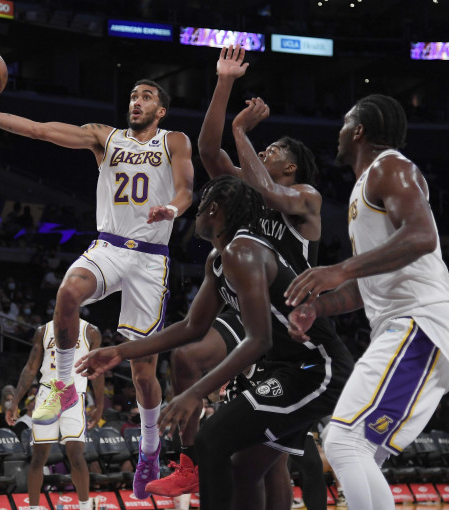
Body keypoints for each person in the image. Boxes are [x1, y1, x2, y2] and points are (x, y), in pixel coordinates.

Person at [0, 69, 193, 498]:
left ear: (161, 109)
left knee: (142, 373)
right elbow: (40, 130)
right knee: (67, 292)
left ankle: (151, 449)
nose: (136, 101)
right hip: (110, 246)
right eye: (133, 95)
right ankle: (64, 384)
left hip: (150, 259)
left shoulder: (174, 140)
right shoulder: (106, 137)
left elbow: (186, 190)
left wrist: (172, 211)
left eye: (146, 96)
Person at [76, 176, 352, 510]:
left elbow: (259, 339)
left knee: (211, 440)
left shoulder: (243, 250)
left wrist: (193, 393)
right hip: (289, 369)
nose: (195, 214)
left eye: (201, 205)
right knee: (244, 470)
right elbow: (193, 326)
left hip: (316, 368)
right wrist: (120, 351)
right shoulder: (219, 259)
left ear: (214, 209)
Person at [149, 45, 328, 508]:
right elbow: (209, 151)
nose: (263, 152)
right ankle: (188, 462)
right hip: (248, 311)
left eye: (273, 151)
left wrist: (241, 130)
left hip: (291, 326)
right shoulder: (248, 193)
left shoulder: (305, 196)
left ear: (290, 166)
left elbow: (269, 189)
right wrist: (224, 83)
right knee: (189, 358)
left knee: (268, 462)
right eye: (261, 147)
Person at [284, 94, 449, 510]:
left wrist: (340, 269)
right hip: (408, 328)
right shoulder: (364, 188)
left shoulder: (390, 167)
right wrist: (318, 308)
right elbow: (366, 286)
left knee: (343, 441)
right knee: (359, 449)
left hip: (419, 323)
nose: (340, 132)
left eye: (345, 124)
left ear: (360, 130)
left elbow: (422, 236)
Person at [6, 319, 104, 510]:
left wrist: (99, 405)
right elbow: (30, 367)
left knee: (76, 455)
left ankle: (85, 506)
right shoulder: (43, 330)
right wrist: (16, 400)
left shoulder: (91, 331)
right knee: (39, 456)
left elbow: (97, 371)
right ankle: (34, 507)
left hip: (75, 395)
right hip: (46, 394)